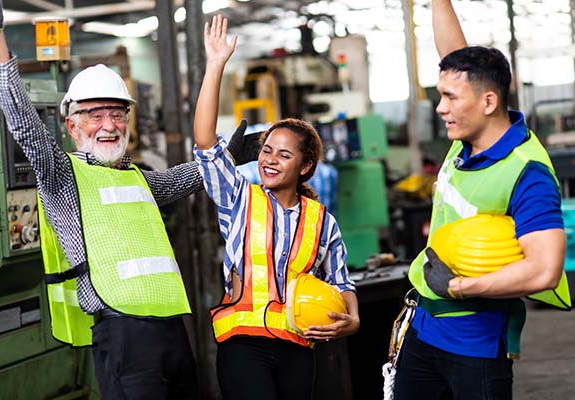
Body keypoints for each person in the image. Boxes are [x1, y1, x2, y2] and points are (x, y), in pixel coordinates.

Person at [0, 2, 257, 399]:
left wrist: (232, 153)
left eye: (117, 113)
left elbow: (189, 176)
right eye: (95, 115)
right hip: (123, 336)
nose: (109, 125)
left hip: (174, 330)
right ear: (71, 125)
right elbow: (22, 120)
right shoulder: (61, 175)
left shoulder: (142, 180)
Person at [392, 1, 571, 399]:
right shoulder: (468, 139)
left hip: (475, 345)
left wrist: (458, 286)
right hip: (423, 329)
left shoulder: (527, 173)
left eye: (449, 98)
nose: (441, 108)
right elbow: (453, 59)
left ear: (488, 102)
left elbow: (544, 270)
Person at [192, 15, 360, 400]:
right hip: (242, 346)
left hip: (299, 347)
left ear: (304, 167)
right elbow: (205, 142)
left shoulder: (321, 222)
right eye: (266, 150)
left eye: (283, 155)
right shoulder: (239, 199)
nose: (269, 160)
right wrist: (216, 64)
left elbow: (341, 283)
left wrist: (352, 320)